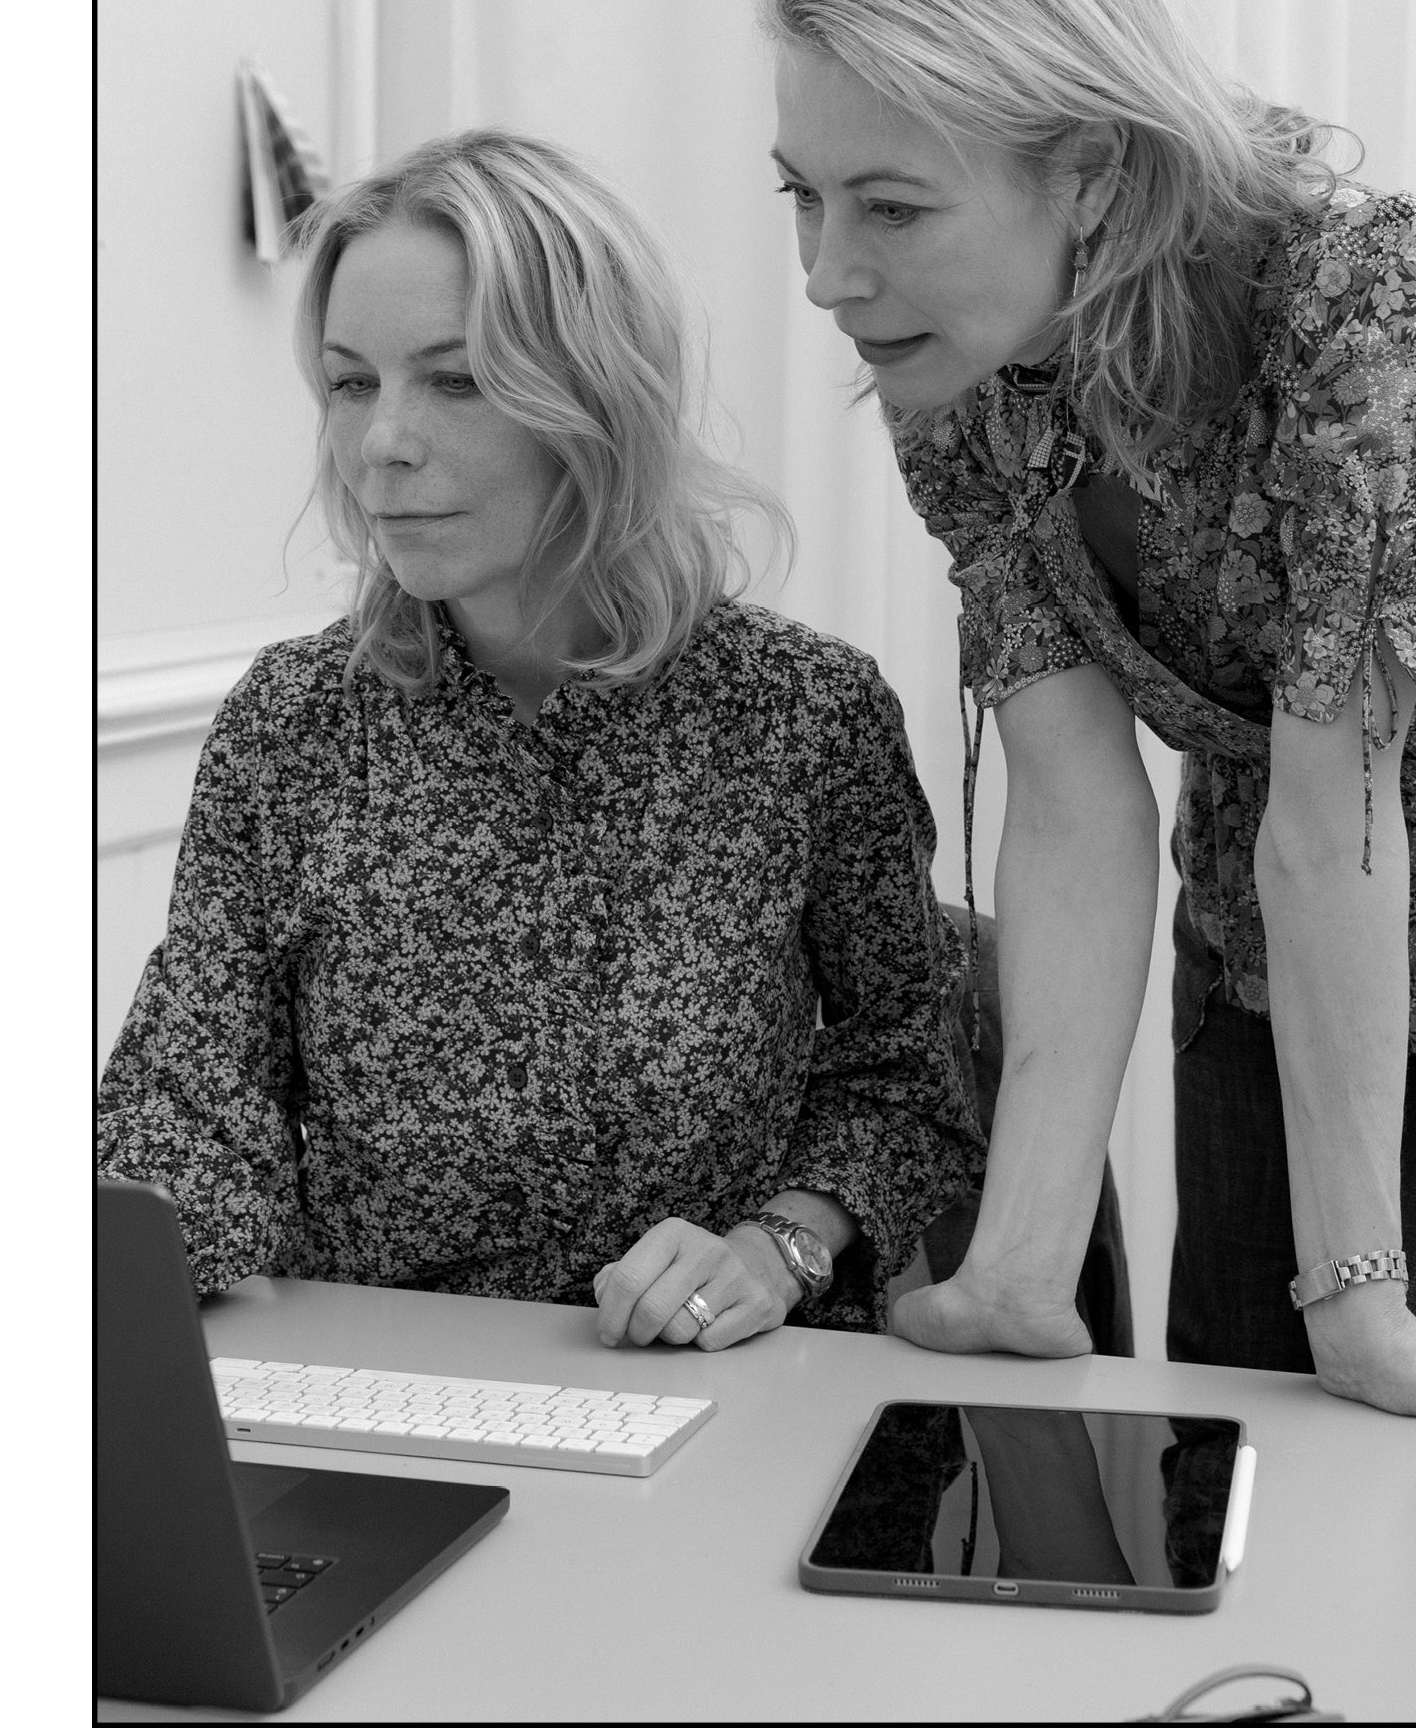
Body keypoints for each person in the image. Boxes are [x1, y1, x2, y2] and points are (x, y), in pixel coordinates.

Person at [758, 0, 1416, 1416]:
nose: (829, 274)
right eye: (804, 196)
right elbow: (1081, 804)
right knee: (1235, 1490)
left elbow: (1333, 815)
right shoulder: (966, 382)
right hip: (1268, 963)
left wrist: (1360, 1309)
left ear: (1090, 169)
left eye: (890, 205)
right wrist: (1019, 1261)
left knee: (1393, 1526)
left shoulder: (1362, 304)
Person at [98, 129, 987, 1349]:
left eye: (453, 380)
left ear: (591, 402)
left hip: (716, 1388)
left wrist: (775, 1248)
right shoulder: (289, 728)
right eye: (351, 382)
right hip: (386, 1394)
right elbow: (187, 1107)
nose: (380, 445)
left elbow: (907, 1079)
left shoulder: (801, 717)